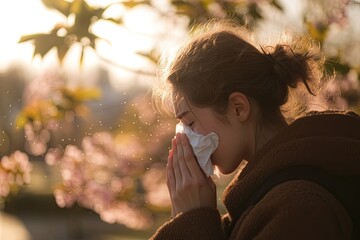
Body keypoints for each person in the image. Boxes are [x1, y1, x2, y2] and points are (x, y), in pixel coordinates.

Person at [150, 19, 360, 239]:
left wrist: (191, 222)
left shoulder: (298, 208)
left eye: (190, 123)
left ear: (238, 108)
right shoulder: (268, 197)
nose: (185, 138)